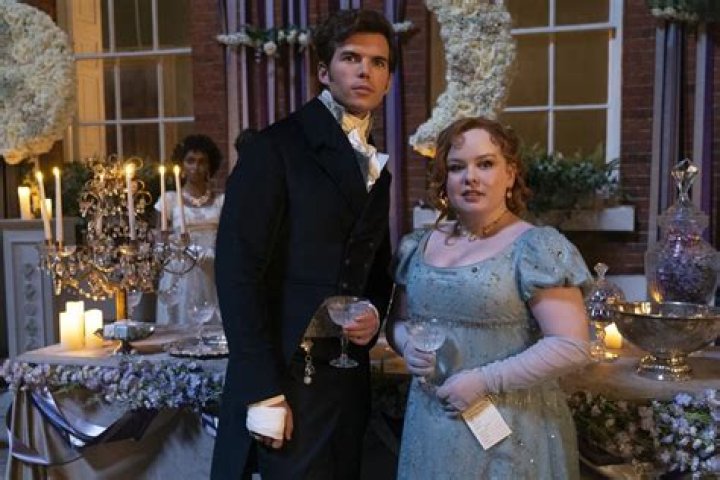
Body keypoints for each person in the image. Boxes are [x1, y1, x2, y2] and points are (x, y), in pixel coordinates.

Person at [211, 9, 396, 480]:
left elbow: (375, 269)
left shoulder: (379, 168)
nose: (365, 71)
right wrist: (261, 391)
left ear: (389, 81)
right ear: (323, 71)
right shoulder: (274, 149)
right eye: (351, 58)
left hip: (347, 377)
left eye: (378, 62)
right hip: (287, 376)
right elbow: (237, 273)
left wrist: (373, 312)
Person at [386, 117, 592, 479]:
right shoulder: (417, 245)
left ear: (510, 174)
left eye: (485, 164)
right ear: (443, 179)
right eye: (456, 167)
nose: (470, 177)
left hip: (511, 426)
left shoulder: (537, 247)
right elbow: (399, 322)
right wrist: (407, 343)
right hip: (431, 424)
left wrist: (484, 381)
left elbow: (570, 345)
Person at [155, 134, 224, 326]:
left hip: (211, 269)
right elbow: (159, 242)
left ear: (210, 165)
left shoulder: (221, 201)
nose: (196, 167)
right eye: (190, 161)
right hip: (180, 272)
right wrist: (167, 243)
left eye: (202, 162)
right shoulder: (169, 200)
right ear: (182, 165)